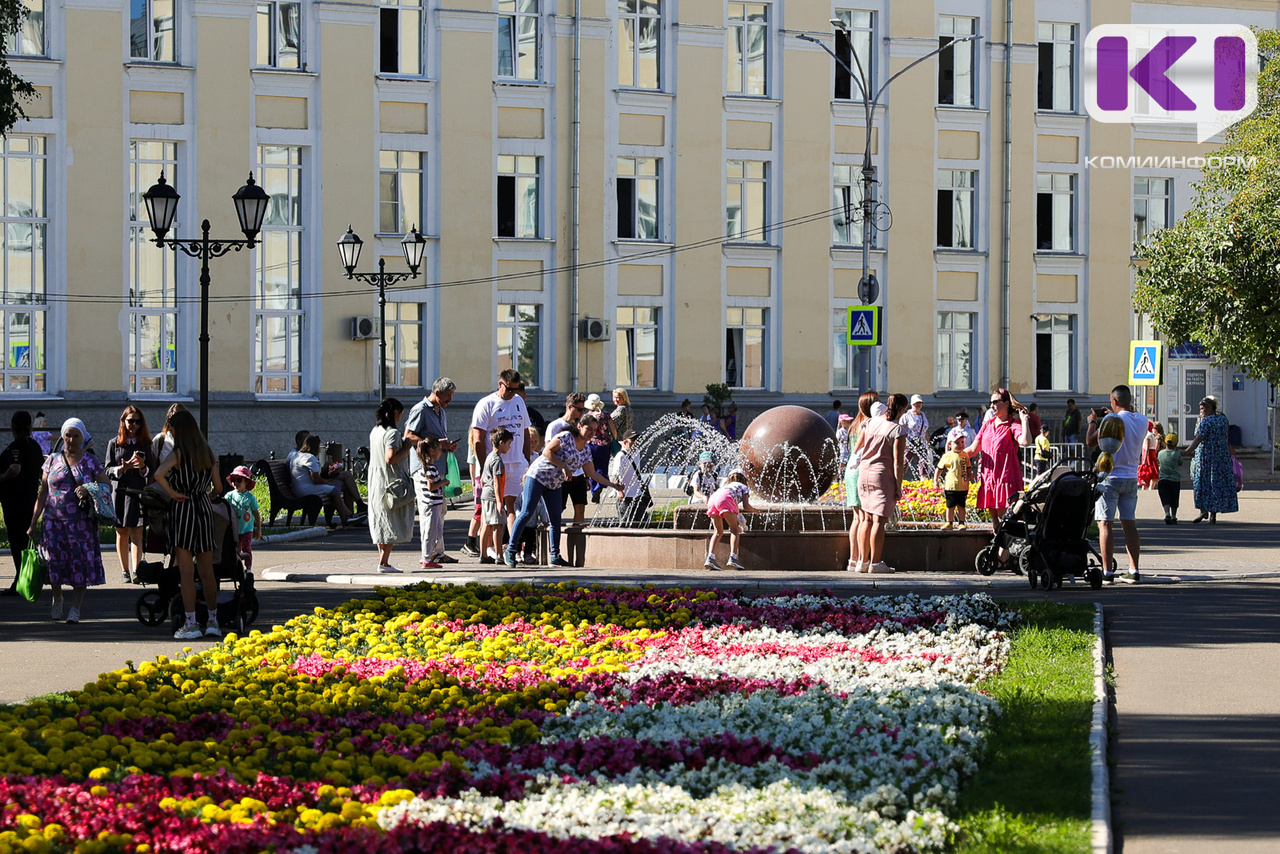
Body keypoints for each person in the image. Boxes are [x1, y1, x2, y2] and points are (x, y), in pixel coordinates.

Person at [505, 413, 620, 568]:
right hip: (538, 476)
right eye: (589, 429)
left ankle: (555, 556)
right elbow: (547, 451)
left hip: (554, 484)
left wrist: (613, 485)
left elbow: (593, 473)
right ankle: (511, 550)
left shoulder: (586, 450)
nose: (592, 433)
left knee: (555, 519)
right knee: (527, 512)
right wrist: (563, 466)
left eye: (594, 430)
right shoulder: (566, 437)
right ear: (579, 426)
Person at [27, 419, 111, 624]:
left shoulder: (90, 461)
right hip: (53, 523)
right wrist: (33, 522)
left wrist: (89, 488)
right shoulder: (52, 460)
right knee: (53, 563)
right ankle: (57, 598)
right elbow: (43, 492)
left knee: (80, 564)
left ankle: (76, 608)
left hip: (81, 525)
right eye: (68, 435)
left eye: (76, 436)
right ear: (63, 436)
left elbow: (107, 485)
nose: (71, 440)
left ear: (83, 437)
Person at [152, 411, 220, 637]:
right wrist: (207, 496)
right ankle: (213, 621)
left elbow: (158, 474)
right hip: (204, 508)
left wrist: (173, 493)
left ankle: (191, 624)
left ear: (178, 430)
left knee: (186, 572)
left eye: (172, 428)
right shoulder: (207, 452)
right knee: (207, 571)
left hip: (184, 509)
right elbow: (219, 487)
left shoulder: (178, 453)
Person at [1086, 384, 1148, 583]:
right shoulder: (1143, 420)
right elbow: (1129, 420)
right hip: (1131, 477)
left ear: (1113, 400)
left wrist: (1093, 422)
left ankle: (1107, 572)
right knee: (1129, 523)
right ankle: (1134, 570)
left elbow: (1091, 442)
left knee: (1105, 524)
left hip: (1110, 477)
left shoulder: (1111, 420)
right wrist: (1113, 415)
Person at [964, 388, 1033, 544]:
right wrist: (954, 455)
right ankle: (999, 551)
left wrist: (1025, 421)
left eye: (996, 402)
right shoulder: (987, 425)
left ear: (1007, 403)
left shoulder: (1012, 424)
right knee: (995, 521)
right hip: (989, 479)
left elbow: (1025, 441)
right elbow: (973, 449)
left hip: (1005, 479)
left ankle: (1005, 552)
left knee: (1005, 520)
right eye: (991, 403)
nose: (992, 406)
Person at [470, 369, 531, 536]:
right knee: (491, 511)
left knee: (514, 507)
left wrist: (527, 458)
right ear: (500, 384)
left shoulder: (519, 401)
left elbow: (525, 430)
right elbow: (477, 439)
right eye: (509, 389)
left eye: (516, 389)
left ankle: (512, 545)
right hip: (496, 466)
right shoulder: (486, 404)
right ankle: (487, 547)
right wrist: (485, 467)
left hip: (517, 464)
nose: (512, 393)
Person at [854, 394, 908, 574]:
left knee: (866, 518)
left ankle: (862, 562)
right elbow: (898, 462)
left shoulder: (871, 422)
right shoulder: (897, 430)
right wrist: (898, 487)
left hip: (863, 473)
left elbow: (859, 446)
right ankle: (875, 563)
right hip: (882, 476)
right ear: (901, 409)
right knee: (878, 520)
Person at [106, 406, 156, 584]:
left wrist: (142, 467)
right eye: (130, 421)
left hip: (137, 491)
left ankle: (136, 570)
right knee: (122, 532)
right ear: (123, 422)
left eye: (137, 421)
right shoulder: (114, 443)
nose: (133, 425)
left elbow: (151, 472)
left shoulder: (145, 444)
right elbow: (107, 469)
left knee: (137, 531)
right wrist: (122, 468)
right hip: (120, 491)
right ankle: (125, 570)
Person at [367, 397, 415, 573]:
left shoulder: (375, 431)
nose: (401, 417)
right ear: (395, 413)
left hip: (376, 480)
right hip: (391, 482)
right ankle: (384, 562)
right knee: (392, 520)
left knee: (381, 520)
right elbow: (390, 458)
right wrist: (406, 447)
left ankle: (383, 561)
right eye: (401, 413)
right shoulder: (392, 433)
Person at [0, 411, 44, 596]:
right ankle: (26, 578)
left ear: (13, 426)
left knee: (17, 540)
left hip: (14, 499)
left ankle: (21, 579)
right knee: (25, 539)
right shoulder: (35, 446)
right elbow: (41, 469)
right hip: (30, 498)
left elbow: (14, 468)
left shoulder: (16, 446)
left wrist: (1, 477)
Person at [1182, 397, 1238, 524]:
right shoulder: (1223, 419)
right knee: (1216, 484)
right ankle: (1212, 515)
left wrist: (1187, 451)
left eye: (1204, 408)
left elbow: (1198, 438)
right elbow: (1226, 436)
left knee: (1201, 484)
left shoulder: (1206, 422)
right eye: (1201, 409)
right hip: (1221, 456)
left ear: (1211, 408)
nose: (1202, 411)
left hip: (1206, 457)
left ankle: (1203, 511)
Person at [843, 391, 879, 571]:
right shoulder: (869, 424)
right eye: (877, 402)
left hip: (851, 470)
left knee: (857, 518)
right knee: (865, 518)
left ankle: (853, 559)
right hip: (861, 469)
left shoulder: (854, 424)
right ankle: (862, 560)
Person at [290, 434, 353, 526]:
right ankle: (345, 519)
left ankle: (349, 515)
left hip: (297, 488)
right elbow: (315, 478)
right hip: (305, 490)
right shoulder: (310, 458)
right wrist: (326, 483)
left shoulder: (299, 455)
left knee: (332, 489)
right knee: (334, 490)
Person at [546, 393, 588, 526]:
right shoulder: (555, 426)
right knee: (559, 507)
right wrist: (562, 467)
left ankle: (578, 534)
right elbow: (548, 450)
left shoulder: (580, 426)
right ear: (570, 407)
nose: (581, 413)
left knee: (580, 506)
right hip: (560, 474)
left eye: (583, 410)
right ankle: (555, 532)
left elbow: (583, 451)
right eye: (579, 409)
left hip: (578, 473)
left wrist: (586, 476)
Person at [703, 470, 754, 570]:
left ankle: (710, 558)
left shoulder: (727, 486)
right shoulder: (744, 487)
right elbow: (746, 506)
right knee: (735, 530)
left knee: (718, 532)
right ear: (744, 479)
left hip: (713, 498)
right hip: (725, 499)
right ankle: (733, 558)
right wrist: (755, 510)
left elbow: (735, 509)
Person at [479, 428, 513, 564]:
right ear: (501, 443)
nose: (509, 447)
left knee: (486, 524)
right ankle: (499, 555)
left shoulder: (489, 457)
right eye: (509, 444)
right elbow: (496, 482)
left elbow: (482, 479)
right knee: (498, 525)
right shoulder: (497, 460)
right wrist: (499, 502)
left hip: (486, 494)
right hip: (493, 496)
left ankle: (483, 554)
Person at [413, 437, 447, 568]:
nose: (441, 453)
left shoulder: (429, 466)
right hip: (431, 504)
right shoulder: (430, 468)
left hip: (435, 504)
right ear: (432, 451)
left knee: (436, 531)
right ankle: (426, 558)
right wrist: (443, 482)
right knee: (430, 531)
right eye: (439, 449)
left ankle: (430, 555)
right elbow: (431, 486)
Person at [223, 465, 262, 571]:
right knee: (235, 549)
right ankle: (237, 567)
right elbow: (223, 509)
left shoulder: (250, 498)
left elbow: (256, 514)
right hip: (234, 529)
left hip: (246, 529)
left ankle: (248, 568)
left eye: (239, 480)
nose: (236, 483)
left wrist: (258, 529)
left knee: (246, 548)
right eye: (233, 480)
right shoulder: (229, 496)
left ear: (246, 482)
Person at [610, 430, 650, 525]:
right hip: (625, 495)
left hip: (638, 494)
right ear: (625, 442)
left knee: (643, 523)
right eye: (632, 441)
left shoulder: (637, 452)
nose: (636, 444)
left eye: (637, 440)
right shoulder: (620, 456)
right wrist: (620, 491)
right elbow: (615, 475)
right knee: (626, 523)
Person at [934, 435, 971, 531]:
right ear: (950, 444)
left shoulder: (965, 455)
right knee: (950, 506)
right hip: (951, 486)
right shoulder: (947, 456)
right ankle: (949, 522)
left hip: (963, 486)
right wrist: (935, 480)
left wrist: (970, 474)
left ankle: (961, 522)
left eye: (962, 442)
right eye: (957, 443)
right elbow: (939, 469)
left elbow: (968, 467)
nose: (960, 445)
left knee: (961, 506)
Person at [585, 394, 617, 503]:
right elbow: (613, 430)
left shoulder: (587, 416)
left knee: (592, 469)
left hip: (590, 445)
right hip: (604, 445)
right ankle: (599, 486)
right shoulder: (606, 415)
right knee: (602, 468)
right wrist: (614, 439)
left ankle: (594, 491)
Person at [898, 395, 931, 480]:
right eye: (916, 403)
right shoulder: (906, 416)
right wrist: (903, 443)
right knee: (904, 462)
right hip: (910, 443)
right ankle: (899, 479)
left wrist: (928, 444)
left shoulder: (923, 415)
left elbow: (925, 431)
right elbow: (901, 430)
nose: (918, 405)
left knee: (923, 463)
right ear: (912, 404)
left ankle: (923, 480)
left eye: (919, 403)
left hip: (921, 443)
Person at [1157, 432, 1183, 524]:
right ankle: (1174, 516)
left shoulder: (1160, 453)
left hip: (1163, 479)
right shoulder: (1176, 454)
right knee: (1174, 498)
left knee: (1165, 497)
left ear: (1165, 442)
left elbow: (1158, 462)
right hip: (1175, 479)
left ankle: (1167, 513)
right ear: (1175, 444)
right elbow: (1180, 463)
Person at [1137, 421, 1161, 489]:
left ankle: (1146, 488)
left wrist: (1144, 459)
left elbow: (1147, 448)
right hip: (1151, 454)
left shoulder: (1148, 436)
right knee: (1152, 472)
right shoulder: (1152, 435)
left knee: (1147, 472)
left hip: (1148, 456)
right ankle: (1149, 488)